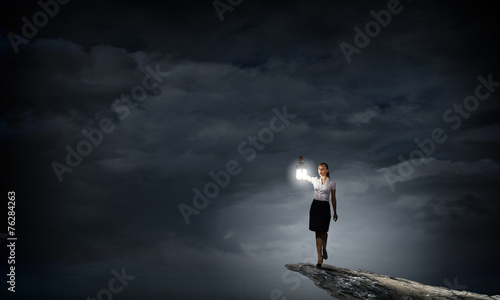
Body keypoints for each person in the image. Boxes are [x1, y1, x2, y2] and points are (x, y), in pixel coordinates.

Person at [299, 155, 338, 268]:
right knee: (317, 233)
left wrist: (335, 212)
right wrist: (302, 164)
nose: (320, 171)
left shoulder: (332, 183)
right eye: (318, 169)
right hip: (315, 206)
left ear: (327, 170)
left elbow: (333, 198)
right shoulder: (314, 180)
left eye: (322, 169)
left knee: (324, 231)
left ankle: (324, 249)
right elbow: (304, 176)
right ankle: (319, 258)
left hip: (325, 207)